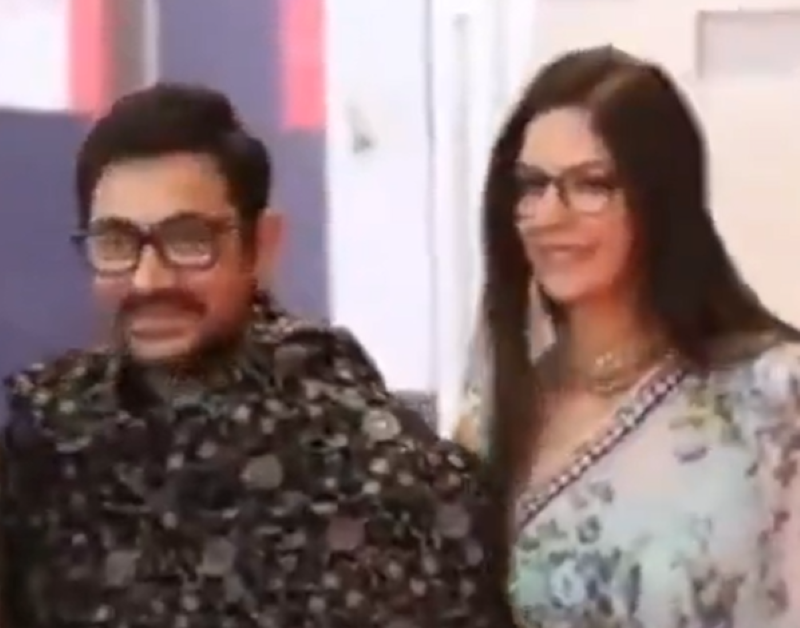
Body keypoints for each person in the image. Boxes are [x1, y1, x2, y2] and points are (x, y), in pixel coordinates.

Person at [0, 83, 507, 627]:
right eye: (117, 243)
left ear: (261, 245)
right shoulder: (50, 447)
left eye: (188, 239)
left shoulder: (380, 474)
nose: (149, 280)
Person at [457, 46, 800, 626]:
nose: (548, 215)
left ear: (660, 199)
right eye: (531, 186)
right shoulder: (496, 418)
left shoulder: (771, 399)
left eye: (591, 185)